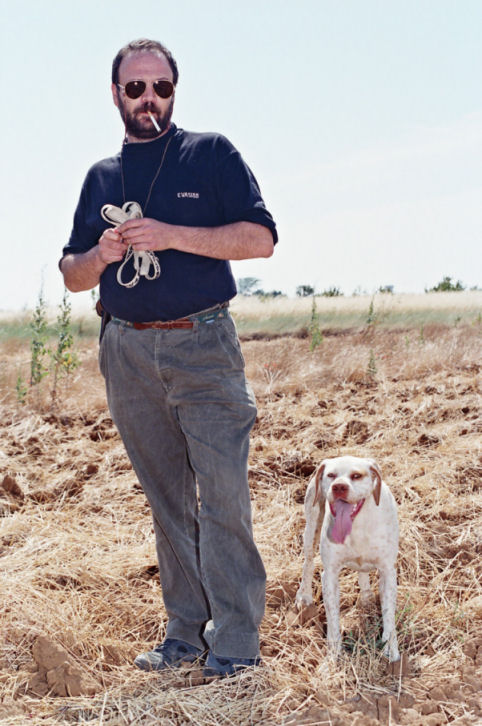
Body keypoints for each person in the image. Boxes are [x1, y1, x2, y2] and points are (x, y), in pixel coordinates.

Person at [60, 39, 277, 679]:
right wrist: (99, 256)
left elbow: (261, 238)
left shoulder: (210, 154)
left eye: (160, 87)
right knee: (167, 501)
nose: (149, 99)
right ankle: (185, 634)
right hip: (125, 348)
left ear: (174, 91)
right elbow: (71, 274)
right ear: (116, 95)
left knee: (224, 498)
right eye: (136, 89)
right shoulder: (100, 177)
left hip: (204, 346)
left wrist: (170, 235)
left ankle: (235, 643)